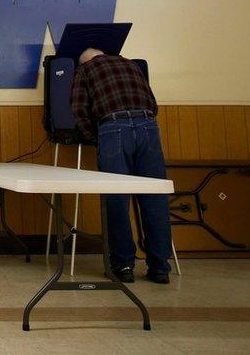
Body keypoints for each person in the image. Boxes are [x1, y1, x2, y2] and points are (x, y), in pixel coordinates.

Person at [71, 47, 173, 284]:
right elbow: (152, 102)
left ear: (84, 61)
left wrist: (94, 136)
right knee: (155, 198)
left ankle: (123, 265)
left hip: (113, 127)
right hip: (148, 126)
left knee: (116, 200)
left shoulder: (85, 70)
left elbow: (78, 108)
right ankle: (160, 267)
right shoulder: (132, 64)